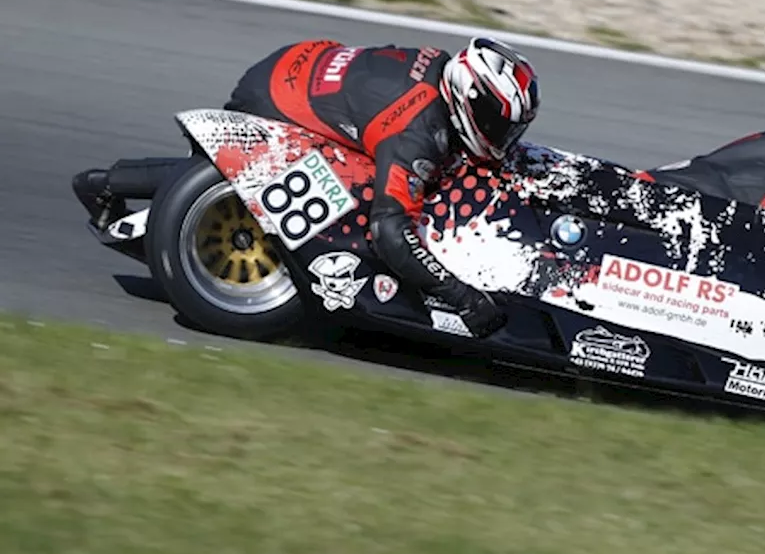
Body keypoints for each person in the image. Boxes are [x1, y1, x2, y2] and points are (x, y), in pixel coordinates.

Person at [74, 36, 540, 338]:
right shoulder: (417, 133)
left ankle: (107, 181)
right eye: (501, 125)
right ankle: (115, 187)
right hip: (274, 104)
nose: (505, 138)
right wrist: (461, 296)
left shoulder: (441, 70)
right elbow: (391, 233)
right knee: (358, 202)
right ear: (471, 102)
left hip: (297, 64)